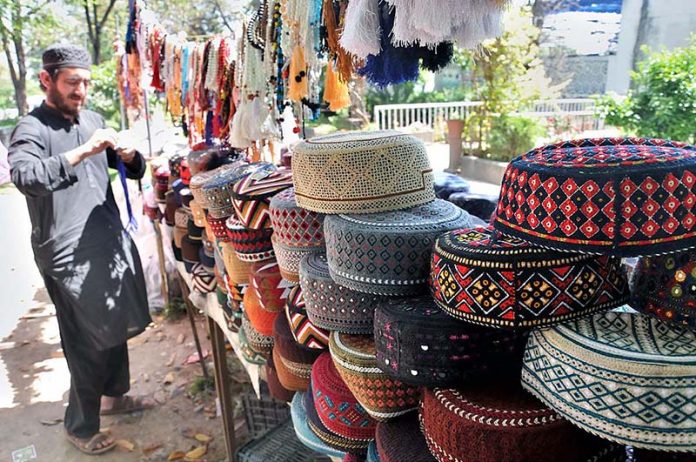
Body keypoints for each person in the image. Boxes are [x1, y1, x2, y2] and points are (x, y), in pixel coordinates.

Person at [8, 44, 153, 455]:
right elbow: (26, 176)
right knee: (86, 339)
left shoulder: (92, 119)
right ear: (46, 80)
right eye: (72, 82)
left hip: (105, 241)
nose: (81, 91)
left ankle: (115, 398)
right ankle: (81, 425)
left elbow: (133, 169)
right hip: (65, 253)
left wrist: (127, 154)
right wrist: (82, 151)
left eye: (86, 82)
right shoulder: (31, 129)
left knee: (116, 323)